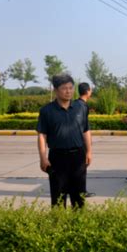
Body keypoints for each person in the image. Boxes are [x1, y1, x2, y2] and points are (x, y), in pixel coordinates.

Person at [37, 74, 92, 208]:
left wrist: (89, 151)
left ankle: (78, 224)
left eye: (71, 88)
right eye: (64, 88)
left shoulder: (81, 108)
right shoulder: (46, 111)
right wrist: (43, 157)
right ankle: (59, 225)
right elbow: (42, 136)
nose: (68, 91)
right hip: (57, 158)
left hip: (78, 156)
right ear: (56, 90)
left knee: (79, 196)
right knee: (58, 196)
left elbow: (86, 131)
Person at [74, 82, 95, 198]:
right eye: (90, 90)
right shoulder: (83, 106)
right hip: (80, 143)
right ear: (87, 92)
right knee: (81, 169)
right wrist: (88, 149)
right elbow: (84, 129)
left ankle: (74, 190)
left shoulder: (75, 104)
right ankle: (81, 191)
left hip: (74, 141)